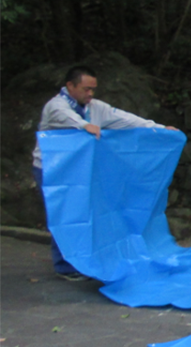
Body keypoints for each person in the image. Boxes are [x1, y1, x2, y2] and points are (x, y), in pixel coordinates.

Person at [32, 65, 177, 282]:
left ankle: (84, 259)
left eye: (93, 90)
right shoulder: (56, 106)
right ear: (70, 86)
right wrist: (84, 125)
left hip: (78, 171)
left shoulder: (96, 107)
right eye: (85, 89)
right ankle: (64, 265)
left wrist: (158, 127)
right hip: (52, 169)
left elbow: (126, 119)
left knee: (86, 213)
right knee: (64, 214)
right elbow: (66, 117)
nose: (90, 94)